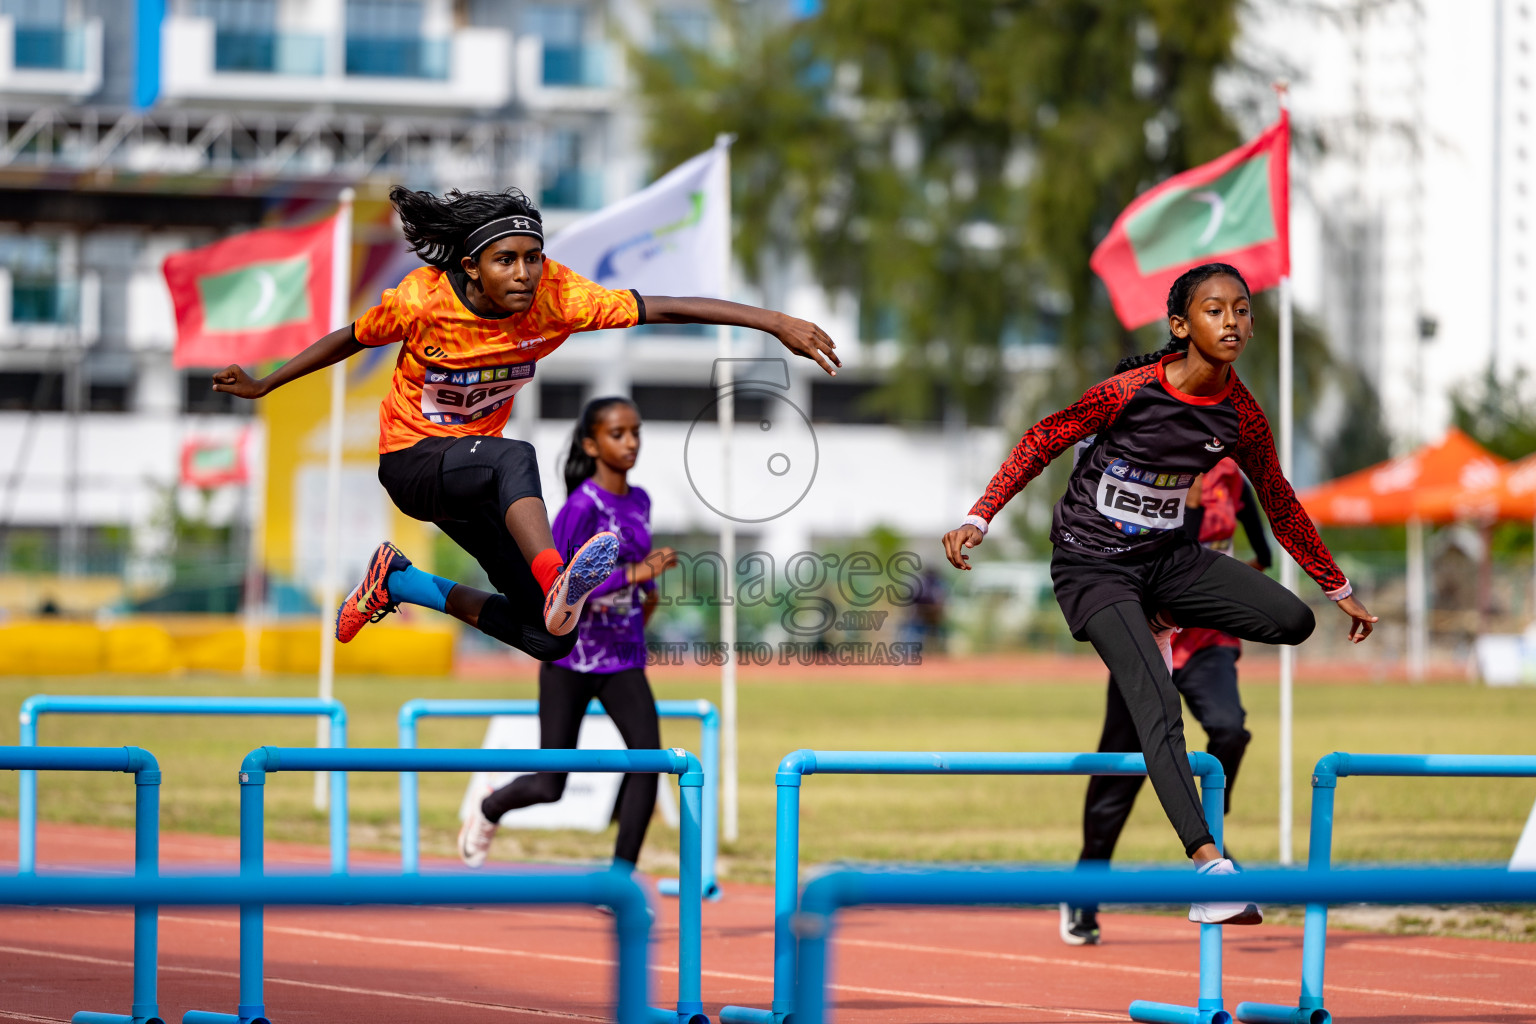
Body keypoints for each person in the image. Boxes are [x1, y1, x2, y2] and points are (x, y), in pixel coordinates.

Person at [211, 186, 838, 668]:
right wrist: (267, 382)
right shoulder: (423, 301)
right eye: (505, 261)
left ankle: (399, 580)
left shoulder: (559, 297)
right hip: (413, 462)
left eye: (533, 259)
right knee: (516, 457)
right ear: (472, 265)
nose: (523, 274)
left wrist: (774, 321)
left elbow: (663, 306)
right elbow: (347, 339)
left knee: (549, 637)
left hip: (475, 487)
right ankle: (554, 573)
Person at [942, 262, 1377, 927]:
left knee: (1291, 620)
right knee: (1158, 705)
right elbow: (1043, 438)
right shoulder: (1127, 392)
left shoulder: (1241, 416)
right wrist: (980, 514)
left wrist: (1335, 585)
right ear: (1181, 325)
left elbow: (1281, 502)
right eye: (1214, 310)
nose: (1232, 321)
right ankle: (1209, 870)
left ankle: (1165, 613)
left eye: (1241, 309)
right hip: (1093, 568)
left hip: (1169, 564)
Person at [458, 396, 678, 869]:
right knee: (550, 784)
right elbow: (563, 590)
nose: (631, 442)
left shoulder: (640, 500)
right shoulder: (580, 508)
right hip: (570, 658)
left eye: (636, 431)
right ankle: (489, 807)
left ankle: (620, 879)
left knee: (650, 763)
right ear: (590, 443)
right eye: (618, 433)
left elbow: (637, 573)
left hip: (622, 656)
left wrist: (648, 595)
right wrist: (640, 574)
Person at [1061, 456, 1272, 945]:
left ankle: (1211, 836)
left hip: (1205, 647)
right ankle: (1082, 894)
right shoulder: (1146, 473)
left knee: (1230, 729)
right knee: (1117, 779)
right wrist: (1191, 511)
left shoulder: (1233, 481)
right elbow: (1162, 558)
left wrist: (1224, 590)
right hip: (1146, 642)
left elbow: (1261, 553)